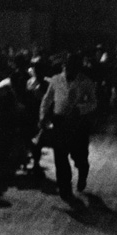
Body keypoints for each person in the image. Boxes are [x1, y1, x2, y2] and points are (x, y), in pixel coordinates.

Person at [39, 53, 97, 203]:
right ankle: (65, 188)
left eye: (73, 66)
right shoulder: (56, 79)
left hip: (78, 123)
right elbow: (47, 99)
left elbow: (93, 102)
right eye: (67, 65)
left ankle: (82, 171)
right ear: (64, 65)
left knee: (79, 155)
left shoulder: (85, 81)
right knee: (60, 157)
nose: (69, 69)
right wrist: (43, 116)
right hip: (60, 122)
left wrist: (81, 109)